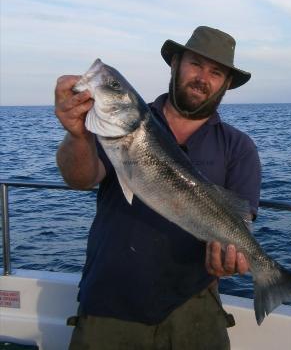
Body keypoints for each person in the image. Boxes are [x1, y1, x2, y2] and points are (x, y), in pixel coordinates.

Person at [55, 26, 261, 350]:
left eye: (216, 72)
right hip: (109, 302)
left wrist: (235, 257)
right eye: (195, 64)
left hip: (193, 305)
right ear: (175, 63)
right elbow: (80, 179)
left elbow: (241, 219)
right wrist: (78, 135)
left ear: (226, 84)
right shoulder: (124, 126)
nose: (202, 78)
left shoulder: (238, 147)